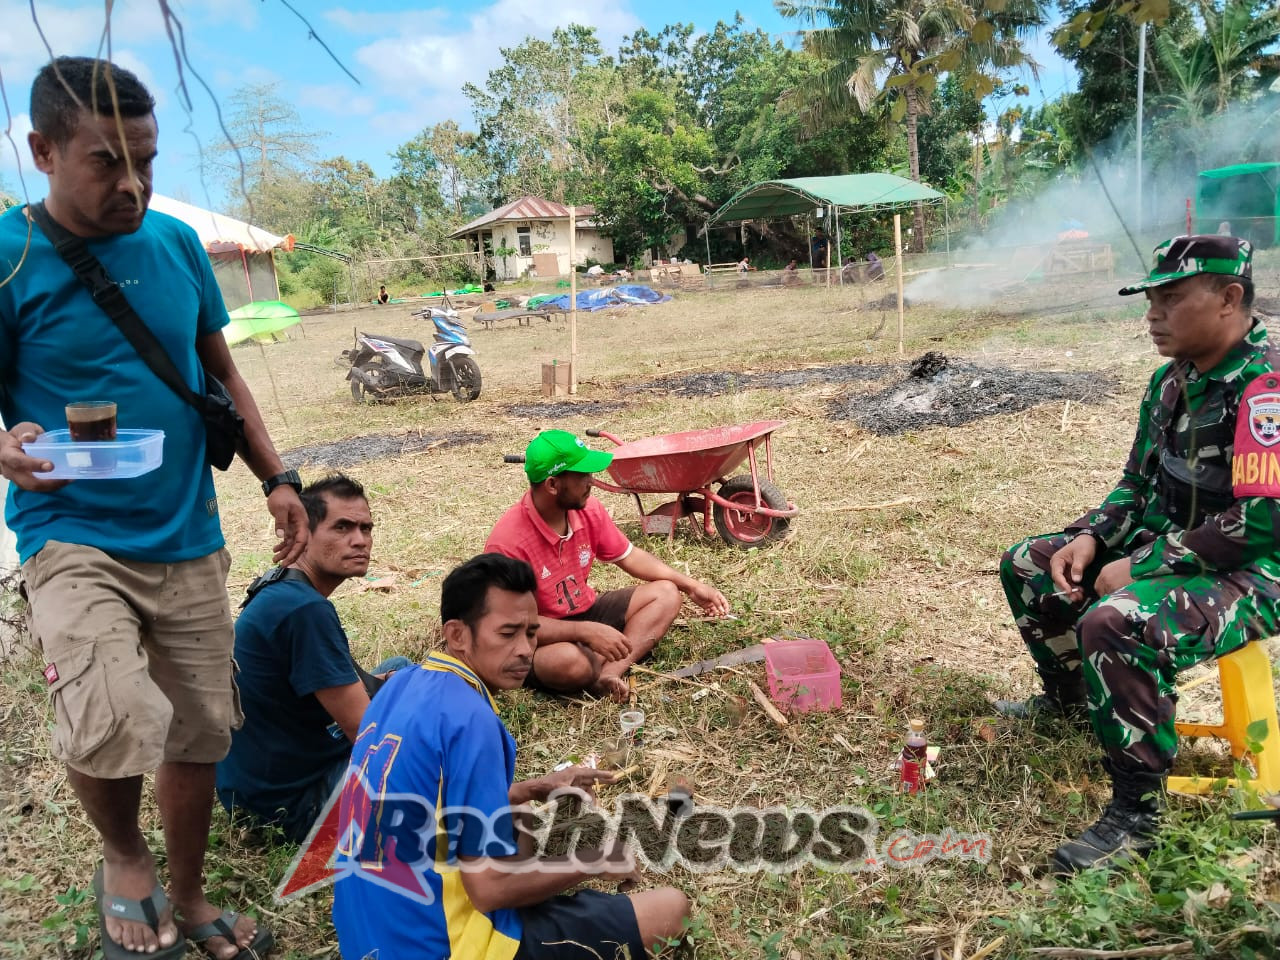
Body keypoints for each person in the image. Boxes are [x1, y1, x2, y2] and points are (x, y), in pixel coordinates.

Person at [0, 58, 309, 959]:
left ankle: (190, 890)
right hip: (70, 531)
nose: (133, 184)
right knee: (107, 711)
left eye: (146, 160)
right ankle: (125, 856)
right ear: (43, 151)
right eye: (107, 162)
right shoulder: (10, 255)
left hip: (186, 531)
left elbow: (223, 375)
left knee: (198, 726)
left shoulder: (175, 244)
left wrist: (278, 479)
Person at [996, 235, 1280, 873]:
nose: (1152, 315)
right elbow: (1136, 483)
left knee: (1117, 620)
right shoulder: (1170, 381)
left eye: (1171, 298)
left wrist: (1143, 566)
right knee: (1028, 564)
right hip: (1175, 548)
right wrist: (1092, 537)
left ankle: (1136, 817)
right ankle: (1070, 702)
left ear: (1229, 298)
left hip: (1256, 571)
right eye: (1150, 300)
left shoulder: (1267, 388)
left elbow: (1264, 522)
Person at [331, 553, 693, 960]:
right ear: (457, 635)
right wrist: (593, 861)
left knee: (520, 818)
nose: (525, 650)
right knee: (671, 910)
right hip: (443, 947)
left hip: (365, 938)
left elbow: (435, 807)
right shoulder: (469, 718)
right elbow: (488, 891)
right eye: (507, 633)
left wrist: (532, 789)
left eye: (532, 633)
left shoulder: (397, 686)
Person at [216, 473, 411, 842]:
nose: (360, 540)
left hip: (254, 780)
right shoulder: (305, 610)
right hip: (287, 805)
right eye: (342, 527)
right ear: (302, 534)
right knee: (424, 750)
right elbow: (365, 732)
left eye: (366, 528)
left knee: (402, 670)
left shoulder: (281, 586)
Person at [485, 430, 729, 700]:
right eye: (583, 475)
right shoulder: (508, 543)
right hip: (535, 636)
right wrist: (586, 632)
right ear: (552, 485)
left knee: (667, 594)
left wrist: (691, 586)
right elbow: (513, 624)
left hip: (584, 611)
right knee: (571, 663)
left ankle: (609, 673)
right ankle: (592, 659)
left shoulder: (588, 510)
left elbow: (630, 556)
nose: (592, 481)